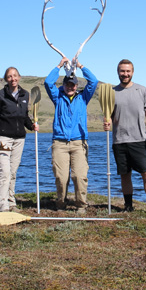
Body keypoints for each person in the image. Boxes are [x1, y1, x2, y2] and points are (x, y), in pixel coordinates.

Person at [103, 59, 146, 217]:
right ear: (118, 72)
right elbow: (108, 115)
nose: (125, 74)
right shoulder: (112, 92)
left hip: (139, 140)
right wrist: (106, 122)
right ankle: (128, 206)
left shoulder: (141, 90)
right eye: (122, 71)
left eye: (128, 71)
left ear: (133, 72)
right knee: (125, 175)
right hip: (119, 141)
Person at [0, 66, 38, 212]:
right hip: (3, 138)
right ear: (6, 79)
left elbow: (24, 117)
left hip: (19, 139)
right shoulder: (0, 95)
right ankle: (2, 205)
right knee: (5, 172)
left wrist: (31, 126)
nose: (13, 79)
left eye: (15, 76)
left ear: (19, 77)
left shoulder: (25, 95)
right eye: (10, 76)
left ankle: (12, 202)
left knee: (13, 172)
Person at [44, 57, 98, 214]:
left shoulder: (83, 97)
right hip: (59, 143)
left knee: (79, 176)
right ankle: (61, 203)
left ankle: (81, 205)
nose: (70, 87)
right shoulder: (57, 97)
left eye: (73, 84)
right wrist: (59, 66)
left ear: (77, 85)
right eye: (67, 84)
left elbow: (93, 81)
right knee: (61, 177)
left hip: (79, 143)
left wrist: (81, 66)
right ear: (64, 85)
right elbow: (48, 83)